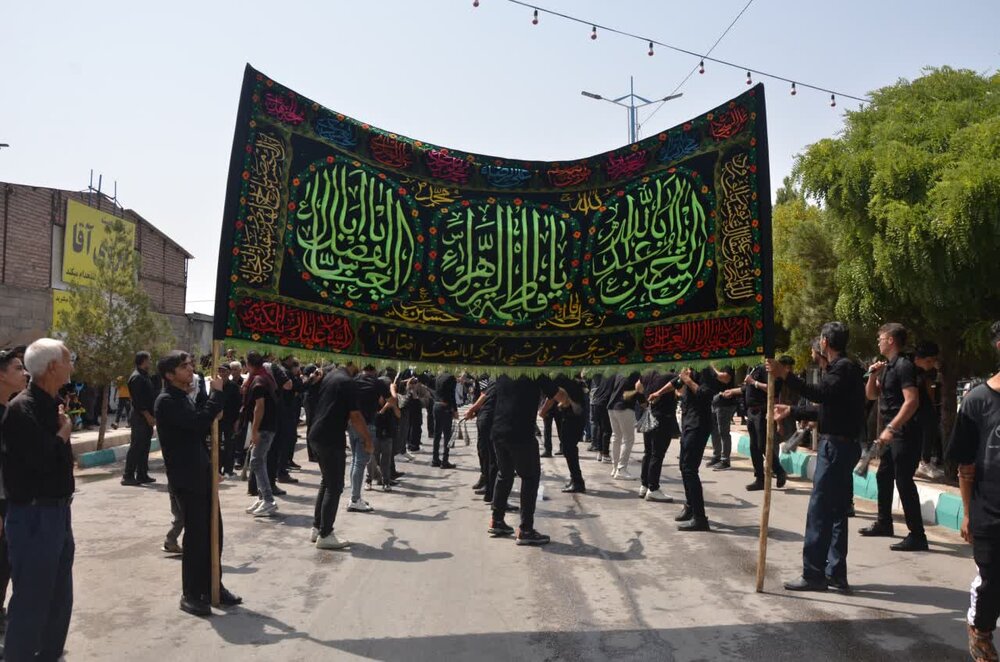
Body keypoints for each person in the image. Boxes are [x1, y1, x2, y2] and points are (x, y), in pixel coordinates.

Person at [771, 321, 866, 592]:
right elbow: (828, 408)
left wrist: (785, 375)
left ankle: (814, 574)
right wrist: (793, 411)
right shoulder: (845, 369)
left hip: (836, 448)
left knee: (820, 511)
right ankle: (835, 572)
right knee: (836, 512)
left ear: (825, 342)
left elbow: (820, 395)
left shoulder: (843, 368)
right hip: (840, 446)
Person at [1, 339, 75, 659]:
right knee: (31, 600)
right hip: (33, 517)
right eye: (68, 360)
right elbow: (40, 460)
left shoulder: (53, 404)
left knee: (59, 599)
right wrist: (63, 433)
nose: (72, 365)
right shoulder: (22, 409)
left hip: (58, 514)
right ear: (53, 367)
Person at [154, 350, 241, 616]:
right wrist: (217, 395)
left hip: (201, 472)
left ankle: (213, 584)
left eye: (191, 365)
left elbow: (201, 426)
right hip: (186, 477)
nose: (190, 369)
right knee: (197, 536)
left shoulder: (183, 396)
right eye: (184, 366)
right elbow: (199, 423)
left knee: (214, 531)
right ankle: (191, 593)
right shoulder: (167, 401)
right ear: (170, 375)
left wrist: (211, 468)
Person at [948, 321, 1000, 661]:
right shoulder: (977, 400)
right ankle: (981, 632)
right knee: (992, 582)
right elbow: (965, 465)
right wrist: (967, 513)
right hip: (990, 512)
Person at [860, 322, 928, 552]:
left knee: (904, 481)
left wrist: (891, 428)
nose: (878, 342)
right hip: (892, 433)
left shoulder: (904, 366)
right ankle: (884, 523)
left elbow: (912, 401)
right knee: (883, 475)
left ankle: (917, 535)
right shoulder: (888, 367)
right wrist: (872, 375)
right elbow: (871, 395)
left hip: (904, 432)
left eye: (880, 338)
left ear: (890, 340)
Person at [307, 364, 374, 550]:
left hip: (318, 434)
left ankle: (317, 528)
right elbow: (356, 416)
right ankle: (325, 534)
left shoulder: (330, 376)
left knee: (327, 482)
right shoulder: (347, 382)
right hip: (330, 438)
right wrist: (367, 439)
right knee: (335, 486)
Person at [488, 375, 559, 545]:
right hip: (521, 434)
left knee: (504, 474)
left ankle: (497, 520)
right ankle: (526, 529)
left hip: (499, 430)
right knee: (530, 477)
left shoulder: (502, 372)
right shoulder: (534, 372)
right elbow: (556, 394)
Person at [674, 367, 725, 531]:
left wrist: (688, 380)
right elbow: (676, 385)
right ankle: (690, 507)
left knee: (690, 469)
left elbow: (706, 395)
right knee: (683, 466)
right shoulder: (689, 368)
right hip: (688, 422)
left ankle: (700, 518)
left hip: (698, 424)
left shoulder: (706, 371)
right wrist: (680, 380)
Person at [0, 349, 29, 636]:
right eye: (18, 368)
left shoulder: (11, 409)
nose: (25, 373)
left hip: (11, 499)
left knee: (6, 562)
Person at [243, 351, 280, 518]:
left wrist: (255, 431)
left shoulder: (258, 381)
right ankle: (261, 497)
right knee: (259, 461)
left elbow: (260, 407)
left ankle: (268, 500)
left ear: (249, 364)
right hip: (268, 426)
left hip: (264, 428)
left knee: (256, 461)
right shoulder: (264, 377)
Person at [634, 369, 680, 501]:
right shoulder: (672, 376)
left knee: (648, 452)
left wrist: (643, 402)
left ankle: (644, 485)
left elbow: (637, 387)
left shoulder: (647, 374)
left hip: (650, 415)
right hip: (664, 417)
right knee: (657, 454)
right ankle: (653, 488)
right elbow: (680, 392)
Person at [744, 362, 788, 491]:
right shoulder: (753, 367)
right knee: (754, 447)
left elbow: (773, 389)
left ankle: (779, 471)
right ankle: (759, 479)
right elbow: (746, 388)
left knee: (763, 445)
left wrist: (754, 382)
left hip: (762, 411)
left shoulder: (767, 368)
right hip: (751, 412)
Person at [349, 365, 388, 511]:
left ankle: (354, 496)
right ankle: (355, 499)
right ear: (374, 370)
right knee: (360, 462)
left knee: (354, 461)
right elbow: (389, 400)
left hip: (352, 423)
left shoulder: (354, 380)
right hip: (367, 425)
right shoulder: (377, 383)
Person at [541, 375, 587, 494]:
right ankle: (575, 479)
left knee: (568, 448)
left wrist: (543, 412)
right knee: (569, 448)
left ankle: (577, 481)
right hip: (576, 414)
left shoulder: (558, 378)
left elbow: (552, 397)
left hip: (573, 416)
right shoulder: (568, 377)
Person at [122, 351, 157, 486]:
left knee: (144, 446)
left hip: (146, 416)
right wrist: (148, 416)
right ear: (143, 361)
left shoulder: (144, 376)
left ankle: (142, 474)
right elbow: (138, 401)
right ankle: (128, 475)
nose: (150, 362)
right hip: (140, 417)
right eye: (149, 360)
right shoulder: (137, 377)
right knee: (136, 446)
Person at [913, 341, 945, 481]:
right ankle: (921, 462)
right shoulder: (909, 369)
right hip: (913, 407)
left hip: (924, 407)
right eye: (930, 360)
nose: (932, 363)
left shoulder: (929, 372)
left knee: (929, 431)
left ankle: (924, 461)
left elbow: (930, 390)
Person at [607, 370, 640, 479]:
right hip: (625, 407)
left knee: (616, 437)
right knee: (628, 439)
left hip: (612, 406)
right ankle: (621, 469)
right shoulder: (636, 373)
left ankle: (615, 468)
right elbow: (639, 388)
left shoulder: (619, 372)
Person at [431, 370, 458, 469]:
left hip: (436, 405)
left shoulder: (438, 376)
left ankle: (435, 459)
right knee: (447, 435)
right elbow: (452, 395)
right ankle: (445, 461)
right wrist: (455, 410)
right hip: (445, 407)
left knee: (437, 434)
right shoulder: (451, 378)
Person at [219, 363, 242, 479]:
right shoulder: (216, 385)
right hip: (218, 420)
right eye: (220, 371)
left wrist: (237, 421)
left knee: (230, 446)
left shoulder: (233, 386)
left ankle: (228, 469)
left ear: (228, 373)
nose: (222, 373)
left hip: (230, 420)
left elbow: (238, 405)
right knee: (218, 446)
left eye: (224, 371)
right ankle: (218, 469)